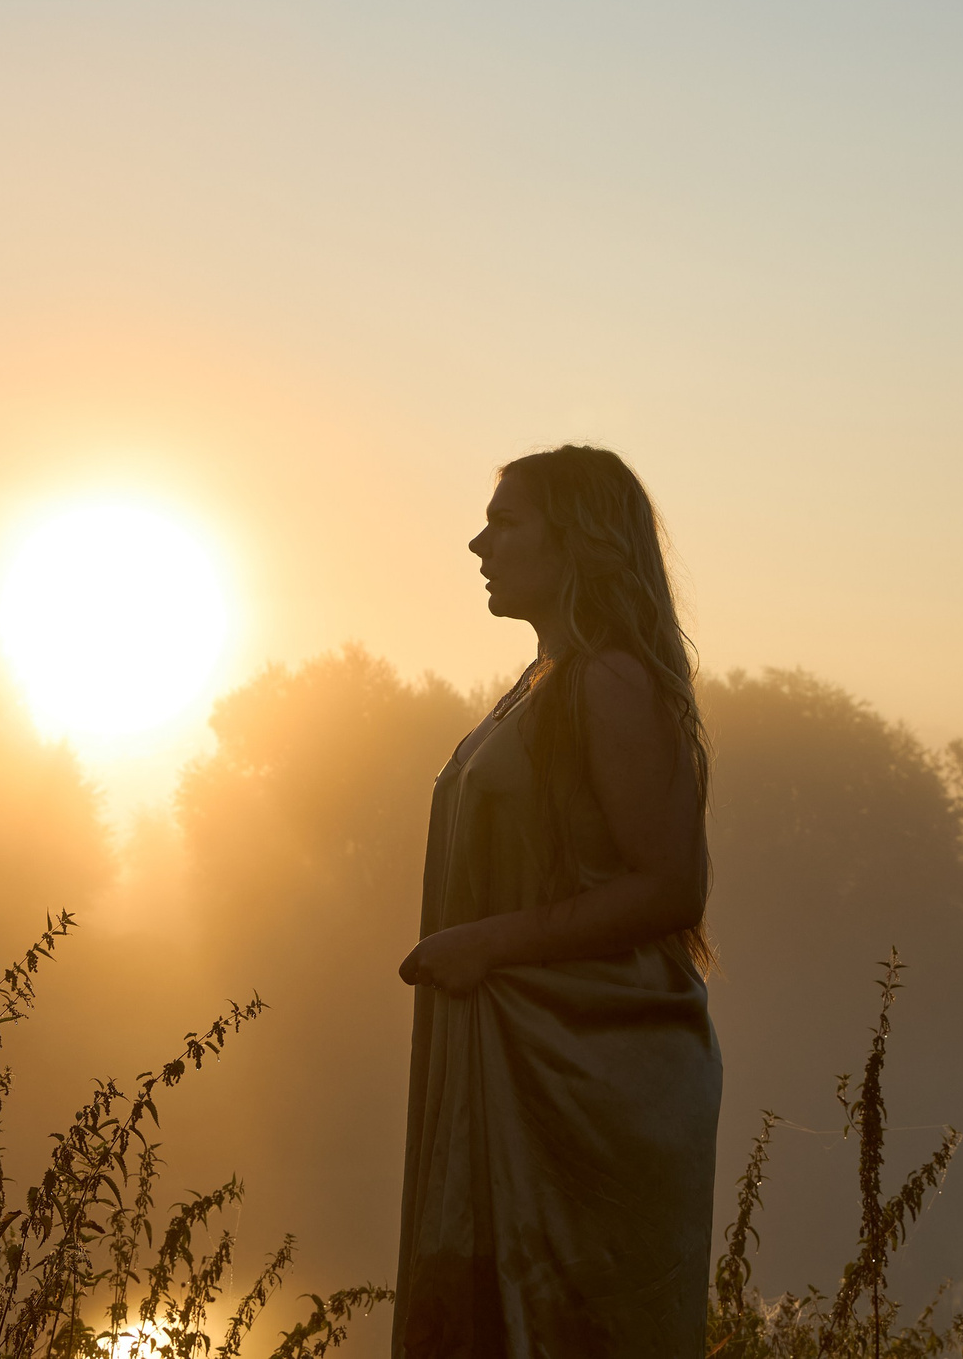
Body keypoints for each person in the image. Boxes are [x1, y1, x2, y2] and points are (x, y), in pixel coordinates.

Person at [394, 445, 723, 1356]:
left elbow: (670, 885)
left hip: (587, 1078)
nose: (477, 542)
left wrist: (488, 943)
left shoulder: (610, 680)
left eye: (505, 521)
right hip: (520, 1054)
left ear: (577, 538)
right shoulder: (542, 679)